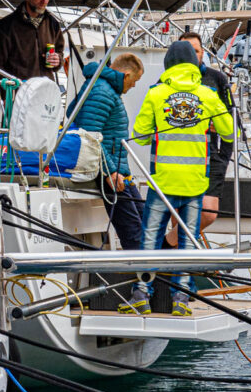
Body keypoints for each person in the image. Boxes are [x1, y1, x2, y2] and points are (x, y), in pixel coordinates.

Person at [121, 41, 234, 317]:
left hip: (162, 181)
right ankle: (181, 301)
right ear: (194, 65)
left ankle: (141, 296)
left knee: (150, 238)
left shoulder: (156, 93)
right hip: (195, 182)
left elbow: (142, 133)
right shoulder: (207, 95)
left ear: (168, 64)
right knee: (187, 240)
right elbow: (230, 133)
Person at [65, 53, 145, 250]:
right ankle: (144, 278)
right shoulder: (102, 91)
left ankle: (149, 276)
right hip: (110, 172)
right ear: (126, 75)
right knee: (134, 232)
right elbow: (89, 136)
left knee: (143, 221)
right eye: (135, 81)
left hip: (117, 169)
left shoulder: (104, 88)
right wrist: (109, 172)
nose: (134, 85)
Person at [160, 31, 233, 244]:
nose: (192, 54)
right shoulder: (164, 82)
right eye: (186, 50)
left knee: (208, 213)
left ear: (202, 53)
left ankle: (166, 246)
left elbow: (231, 120)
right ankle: (180, 262)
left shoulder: (217, 79)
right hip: (177, 157)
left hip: (210, 155)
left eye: (196, 50)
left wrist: (223, 155)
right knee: (178, 215)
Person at [0, 0, 64, 80]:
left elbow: (59, 52)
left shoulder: (53, 23)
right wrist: (6, 90)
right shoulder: (7, 26)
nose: (44, 1)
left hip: (45, 90)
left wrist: (58, 60)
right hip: (18, 90)